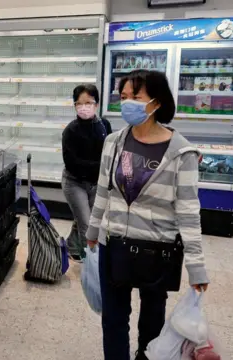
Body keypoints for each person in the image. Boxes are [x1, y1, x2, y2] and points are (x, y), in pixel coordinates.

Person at [85, 70, 209, 360]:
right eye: (123, 97)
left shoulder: (182, 153)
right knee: (113, 320)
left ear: (156, 102)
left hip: (157, 249)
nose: (127, 103)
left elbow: (189, 213)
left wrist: (197, 267)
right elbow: (103, 190)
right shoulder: (113, 142)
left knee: (151, 324)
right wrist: (92, 231)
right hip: (113, 243)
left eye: (135, 98)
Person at [61, 84, 112, 261]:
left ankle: (71, 247)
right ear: (75, 105)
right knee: (88, 224)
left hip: (96, 183)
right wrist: (101, 166)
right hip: (74, 183)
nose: (84, 107)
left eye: (88, 102)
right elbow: (72, 164)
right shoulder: (70, 131)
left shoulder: (104, 125)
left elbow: (109, 153)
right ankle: (91, 262)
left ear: (96, 104)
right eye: (79, 103)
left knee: (83, 218)